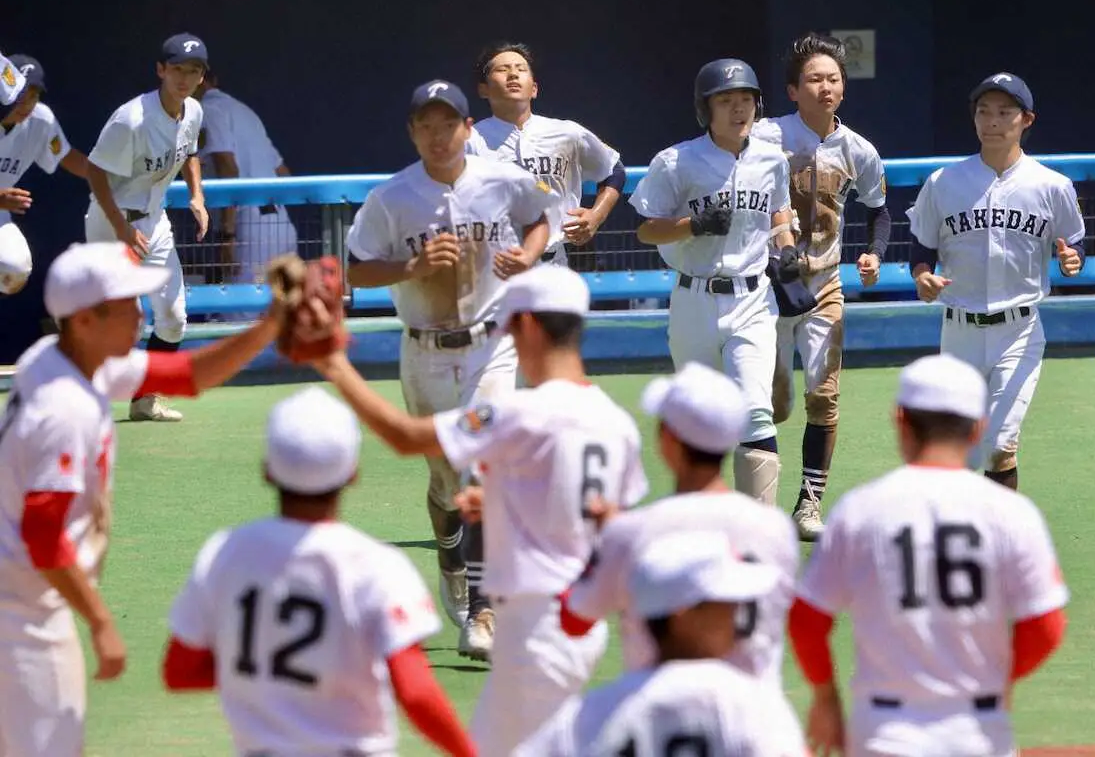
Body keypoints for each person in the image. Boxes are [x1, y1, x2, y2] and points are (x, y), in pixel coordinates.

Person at [310, 265, 648, 757]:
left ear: (529, 325)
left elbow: (406, 437)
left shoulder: (519, 413)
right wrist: (502, 501)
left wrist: (334, 364)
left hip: (538, 628)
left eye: (509, 326)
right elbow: (596, 515)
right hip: (577, 622)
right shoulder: (616, 422)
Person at [0, 241, 286, 756]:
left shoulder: (62, 358)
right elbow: (43, 538)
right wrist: (102, 623)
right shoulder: (63, 408)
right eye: (128, 305)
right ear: (86, 320)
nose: (140, 315)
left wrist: (268, 327)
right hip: (22, 617)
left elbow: (188, 375)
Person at [344, 78, 553, 657]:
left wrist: (529, 254)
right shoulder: (392, 197)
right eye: (425, 126)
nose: (438, 136)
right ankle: (453, 564)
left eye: (448, 124)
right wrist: (411, 266)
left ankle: (484, 612)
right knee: (444, 483)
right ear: (412, 132)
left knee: (483, 471)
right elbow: (355, 270)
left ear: (467, 128)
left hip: (491, 345)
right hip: (425, 353)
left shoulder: (501, 178)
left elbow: (542, 217)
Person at [162, 387, 476, 757]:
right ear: (354, 474)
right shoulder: (377, 566)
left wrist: (268, 680)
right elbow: (417, 692)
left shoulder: (225, 553)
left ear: (267, 471)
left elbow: (179, 671)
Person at [789, 354, 1069, 756]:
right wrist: (998, 677)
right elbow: (1047, 625)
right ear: (978, 429)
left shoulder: (861, 510)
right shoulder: (1012, 513)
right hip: (978, 733)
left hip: (884, 733)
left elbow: (806, 621)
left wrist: (825, 696)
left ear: (900, 420)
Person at [561, 361, 798, 686]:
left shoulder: (632, 532)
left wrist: (602, 539)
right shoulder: (777, 530)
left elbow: (573, 619)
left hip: (661, 718)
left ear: (668, 440)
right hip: (757, 718)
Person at [631, 58, 800, 507]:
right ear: (706, 108)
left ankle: (757, 530)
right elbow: (646, 229)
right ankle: (698, 516)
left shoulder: (770, 159)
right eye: (726, 101)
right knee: (696, 416)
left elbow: (779, 213)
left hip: (752, 299)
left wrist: (786, 248)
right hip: (694, 300)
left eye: (746, 99)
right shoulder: (676, 161)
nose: (739, 109)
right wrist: (692, 224)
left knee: (756, 412)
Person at [907, 72, 1085, 490]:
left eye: (1005, 112)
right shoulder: (944, 182)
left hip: (1019, 331)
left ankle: (998, 540)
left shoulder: (1051, 185)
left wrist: (1072, 259)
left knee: (999, 443)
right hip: (959, 330)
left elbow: (1075, 240)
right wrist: (922, 276)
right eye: (984, 112)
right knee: (955, 447)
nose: (992, 121)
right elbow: (921, 249)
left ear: (1027, 120)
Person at [752, 33, 891, 540]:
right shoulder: (766, 136)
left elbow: (879, 209)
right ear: (792, 90)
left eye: (833, 78)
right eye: (814, 78)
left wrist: (874, 252)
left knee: (824, 396)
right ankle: (757, 499)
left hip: (825, 284)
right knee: (768, 402)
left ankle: (808, 504)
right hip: (766, 286)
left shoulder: (859, 150)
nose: (825, 87)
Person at [518, 532, 807, 756]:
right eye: (722, 602)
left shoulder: (589, 715)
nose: (736, 611)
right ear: (682, 615)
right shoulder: (750, 705)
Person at [85, 32, 211, 423]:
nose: (184, 78)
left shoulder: (193, 111)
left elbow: (189, 153)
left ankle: (145, 400)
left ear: (202, 77)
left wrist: (197, 196)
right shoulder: (131, 119)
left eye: (194, 71)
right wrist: (121, 228)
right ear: (160, 70)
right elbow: (94, 171)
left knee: (173, 317)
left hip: (155, 224)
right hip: (111, 224)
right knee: (112, 325)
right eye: (177, 69)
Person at [470, 41, 626, 264]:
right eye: (502, 70)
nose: (513, 74)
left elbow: (614, 170)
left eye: (521, 69)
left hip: (555, 262)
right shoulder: (470, 140)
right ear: (483, 89)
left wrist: (596, 215)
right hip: (494, 264)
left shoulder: (567, 133)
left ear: (534, 88)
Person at [192, 69, 297, 285]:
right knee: (280, 314)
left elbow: (228, 168)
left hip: (247, 232)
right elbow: (283, 173)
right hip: (281, 226)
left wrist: (227, 236)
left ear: (204, 82)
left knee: (238, 315)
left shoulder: (207, 110)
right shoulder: (246, 112)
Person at [0, 56, 90, 295]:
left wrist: (111, 179)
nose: (26, 103)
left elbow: (67, 156)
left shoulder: (40, 120)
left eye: (33, 95)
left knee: (14, 269)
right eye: (20, 95)